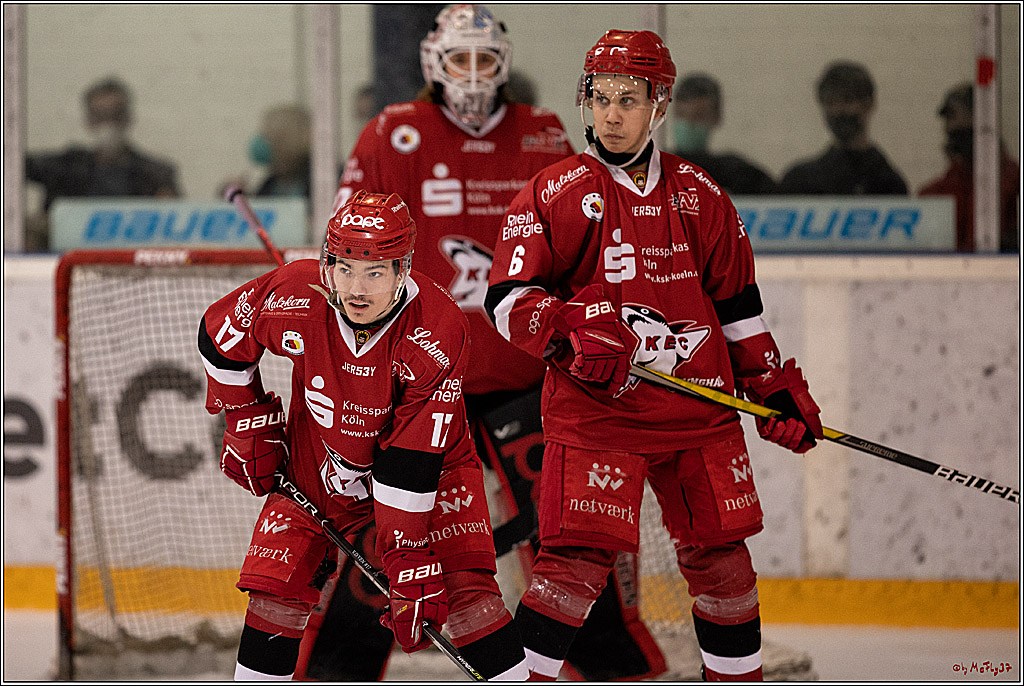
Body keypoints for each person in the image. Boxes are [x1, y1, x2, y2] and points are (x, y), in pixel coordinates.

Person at [303, 4, 667, 681]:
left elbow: (582, 248)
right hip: (416, 383)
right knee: (379, 535)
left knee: (571, 533)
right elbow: (346, 247)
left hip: (522, 373)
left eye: (484, 60)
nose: (472, 75)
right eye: (460, 59)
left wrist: (591, 320)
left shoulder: (542, 133)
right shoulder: (393, 132)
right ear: (433, 65)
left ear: (504, 64)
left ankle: (613, 667)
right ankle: (335, 675)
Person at [484, 29, 824, 681]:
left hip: (698, 413)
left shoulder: (701, 195)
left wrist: (772, 387)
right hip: (597, 416)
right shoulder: (553, 193)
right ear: (584, 101)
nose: (612, 113)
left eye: (630, 99)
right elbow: (506, 300)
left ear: (659, 104)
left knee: (723, 562)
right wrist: (566, 330)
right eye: (601, 97)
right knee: (575, 565)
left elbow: (738, 310)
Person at [198, 190, 529, 681]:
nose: (356, 288)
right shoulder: (295, 292)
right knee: (276, 588)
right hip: (318, 467)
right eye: (345, 267)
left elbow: (410, 466)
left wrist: (408, 557)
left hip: (433, 474)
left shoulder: (437, 330)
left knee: (466, 595)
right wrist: (245, 416)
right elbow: (220, 336)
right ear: (327, 263)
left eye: (375, 272)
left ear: (403, 271)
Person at [24, 76, 179, 250]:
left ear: (128, 118)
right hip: (62, 264)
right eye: (99, 116)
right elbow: (14, 166)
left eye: (115, 116)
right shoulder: (64, 169)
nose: (107, 124)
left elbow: (175, 225)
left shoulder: (155, 174)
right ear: (88, 121)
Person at [918, 82, 1020, 253]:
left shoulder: (1012, 181)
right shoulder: (941, 189)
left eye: (955, 116)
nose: (950, 127)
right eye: (948, 118)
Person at [778, 61, 908, 195]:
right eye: (830, 102)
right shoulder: (800, 180)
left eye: (847, 100)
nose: (837, 110)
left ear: (869, 104)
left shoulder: (888, 183)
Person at [670, 73, 776, 194]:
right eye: (681, 115)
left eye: (699, 116)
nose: (688, 123)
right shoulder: (655, 169)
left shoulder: (739, 175)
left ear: (716, 118)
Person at [220, 104, 314, 201]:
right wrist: (235, 195)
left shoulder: (316, 182)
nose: (261, 142)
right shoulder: (271, 184)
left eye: (267, 136)